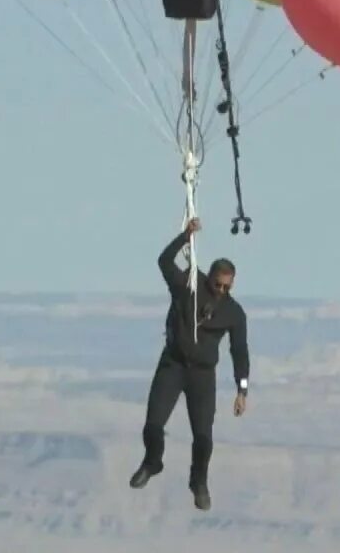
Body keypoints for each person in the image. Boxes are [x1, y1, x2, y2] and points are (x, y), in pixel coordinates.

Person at [128, 216, 249, 511]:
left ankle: (199, 482)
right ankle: (152, 461)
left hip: (202, 376)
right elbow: (164, 261)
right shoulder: (188, 285)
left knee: (203, 437)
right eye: (218, 285)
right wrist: (185, 236)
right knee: (153, 424)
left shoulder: (233, 312)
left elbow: (239, 350)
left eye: (227, 287)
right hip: (174, 365)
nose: (221, 291)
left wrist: (242, 389)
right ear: (211, 279)